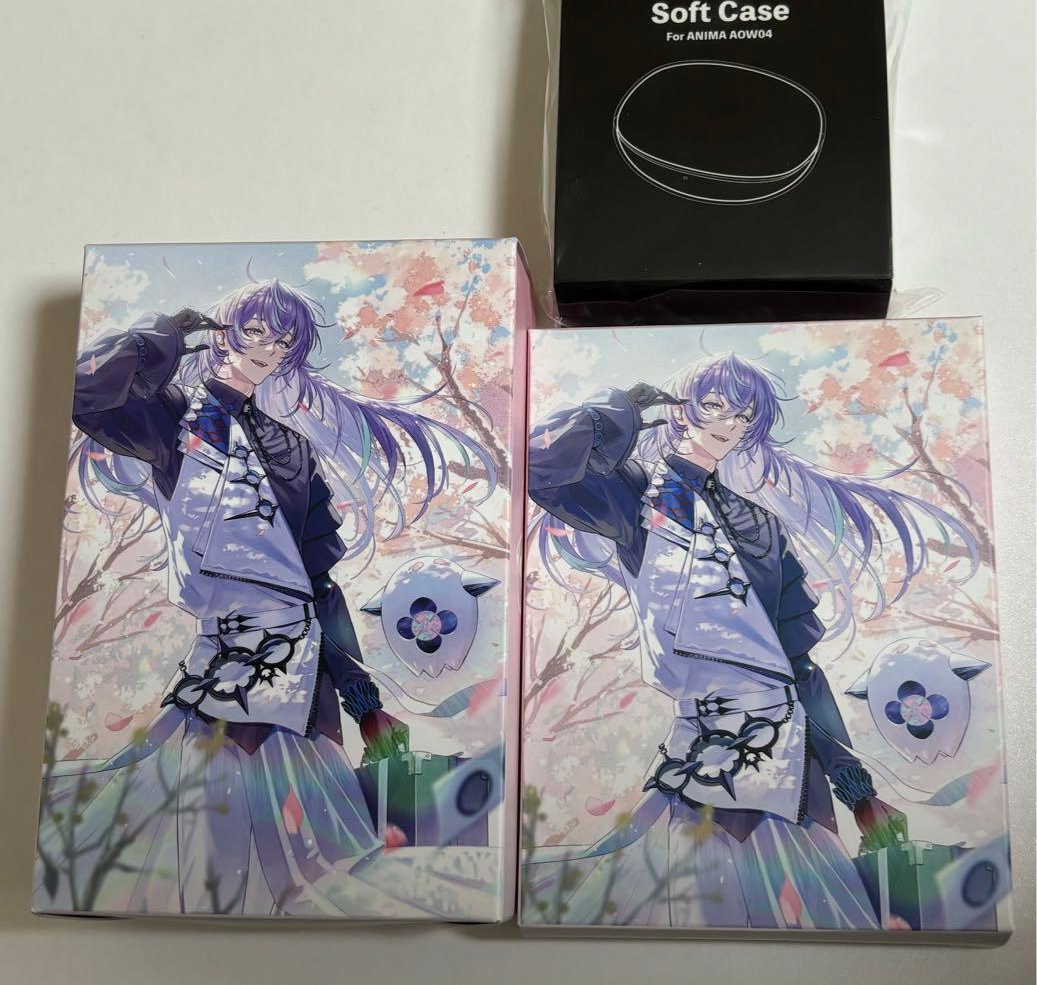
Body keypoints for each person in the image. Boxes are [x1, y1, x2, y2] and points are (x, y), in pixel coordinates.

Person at [36, 279, 494, 915]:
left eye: (282, 341)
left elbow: (319, 586)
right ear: (225, 334)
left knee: (321, 865)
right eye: (254, 331)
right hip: (221, 671)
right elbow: (85, 391)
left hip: (301, 684)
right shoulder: (174, 421)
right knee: (198, 849)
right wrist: (163, 335)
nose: (266, 348)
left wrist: (364, 703)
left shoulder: (291, 448)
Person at [524, 354, 976, 929]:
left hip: (789, 758)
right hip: (699, 750)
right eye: (713, 405)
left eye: (742, 415)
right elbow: (540, 465)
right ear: (681, 411)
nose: (727, 423)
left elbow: (799, 667)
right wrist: (620, 410)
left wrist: (857, 790)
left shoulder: (760, 525)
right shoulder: (637, 498)